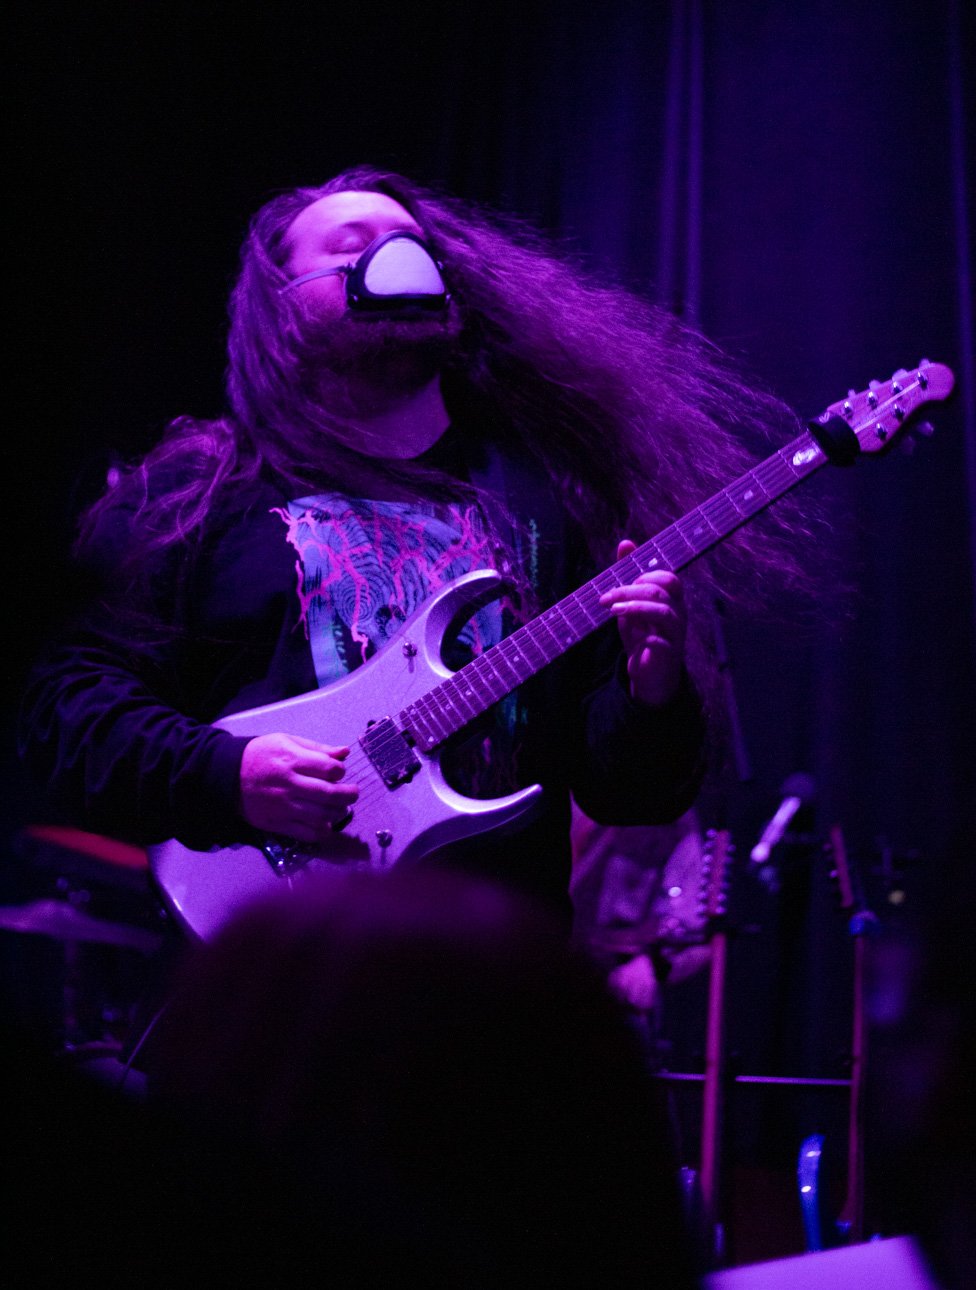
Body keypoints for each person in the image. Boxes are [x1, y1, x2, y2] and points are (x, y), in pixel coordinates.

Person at [19, 165, 810, 929]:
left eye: (407, 239)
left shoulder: (545, 498)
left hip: (495, 980)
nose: (390, 256)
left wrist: (651, 693)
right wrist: (227, 775)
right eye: (348, 245)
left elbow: (629, 797)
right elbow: (63, 710)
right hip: (280, 975)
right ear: (282, 306)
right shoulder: (202, 490)